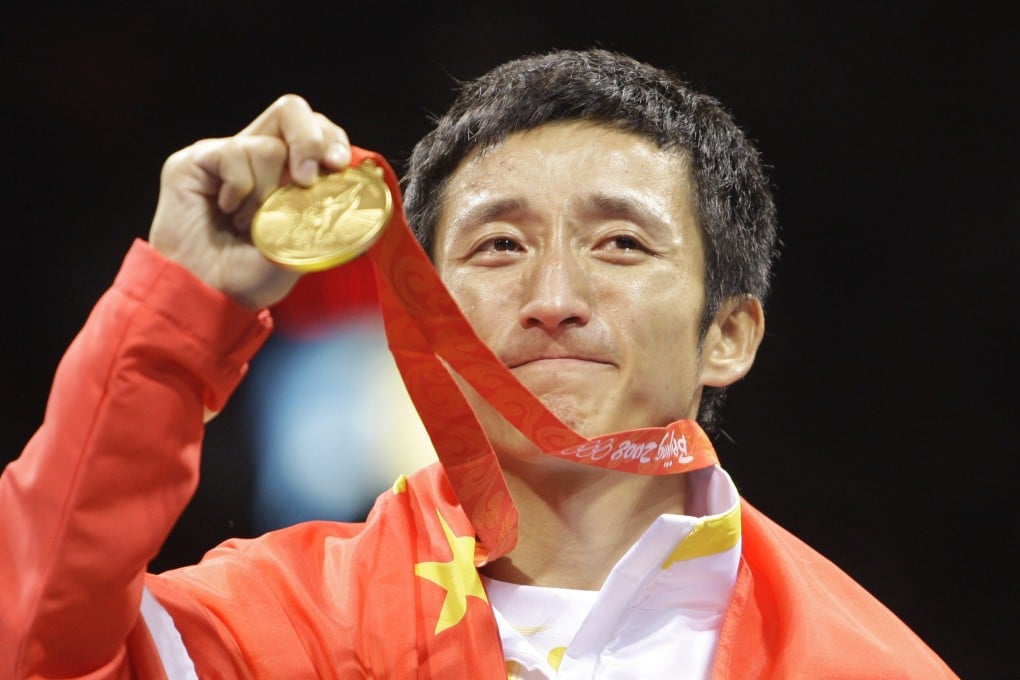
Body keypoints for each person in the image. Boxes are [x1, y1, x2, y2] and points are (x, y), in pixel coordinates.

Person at [0, 49, 955, 678]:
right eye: (498, 247)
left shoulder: (866, 663)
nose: (553, 297)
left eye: (621, 244)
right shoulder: (277, 628)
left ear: (730, 334)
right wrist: (175, 312)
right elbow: (34, 648)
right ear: (422, 317)